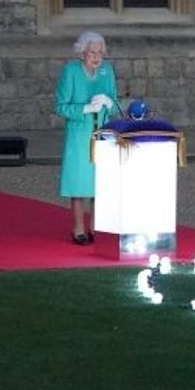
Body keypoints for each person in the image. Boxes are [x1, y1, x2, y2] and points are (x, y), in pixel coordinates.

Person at [55, 31, 119, 245]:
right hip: (79, 134)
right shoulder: (71, 71)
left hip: (102, 132)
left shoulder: (107, 71)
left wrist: (109, 103)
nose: (97, 57)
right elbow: (60, 106)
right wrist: (85, 108)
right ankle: (79, 229)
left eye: (100, 53)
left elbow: (115, 101)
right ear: (82, 53)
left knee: (100, 184)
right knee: (79, 184)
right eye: (92, 52)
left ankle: (96, 227)